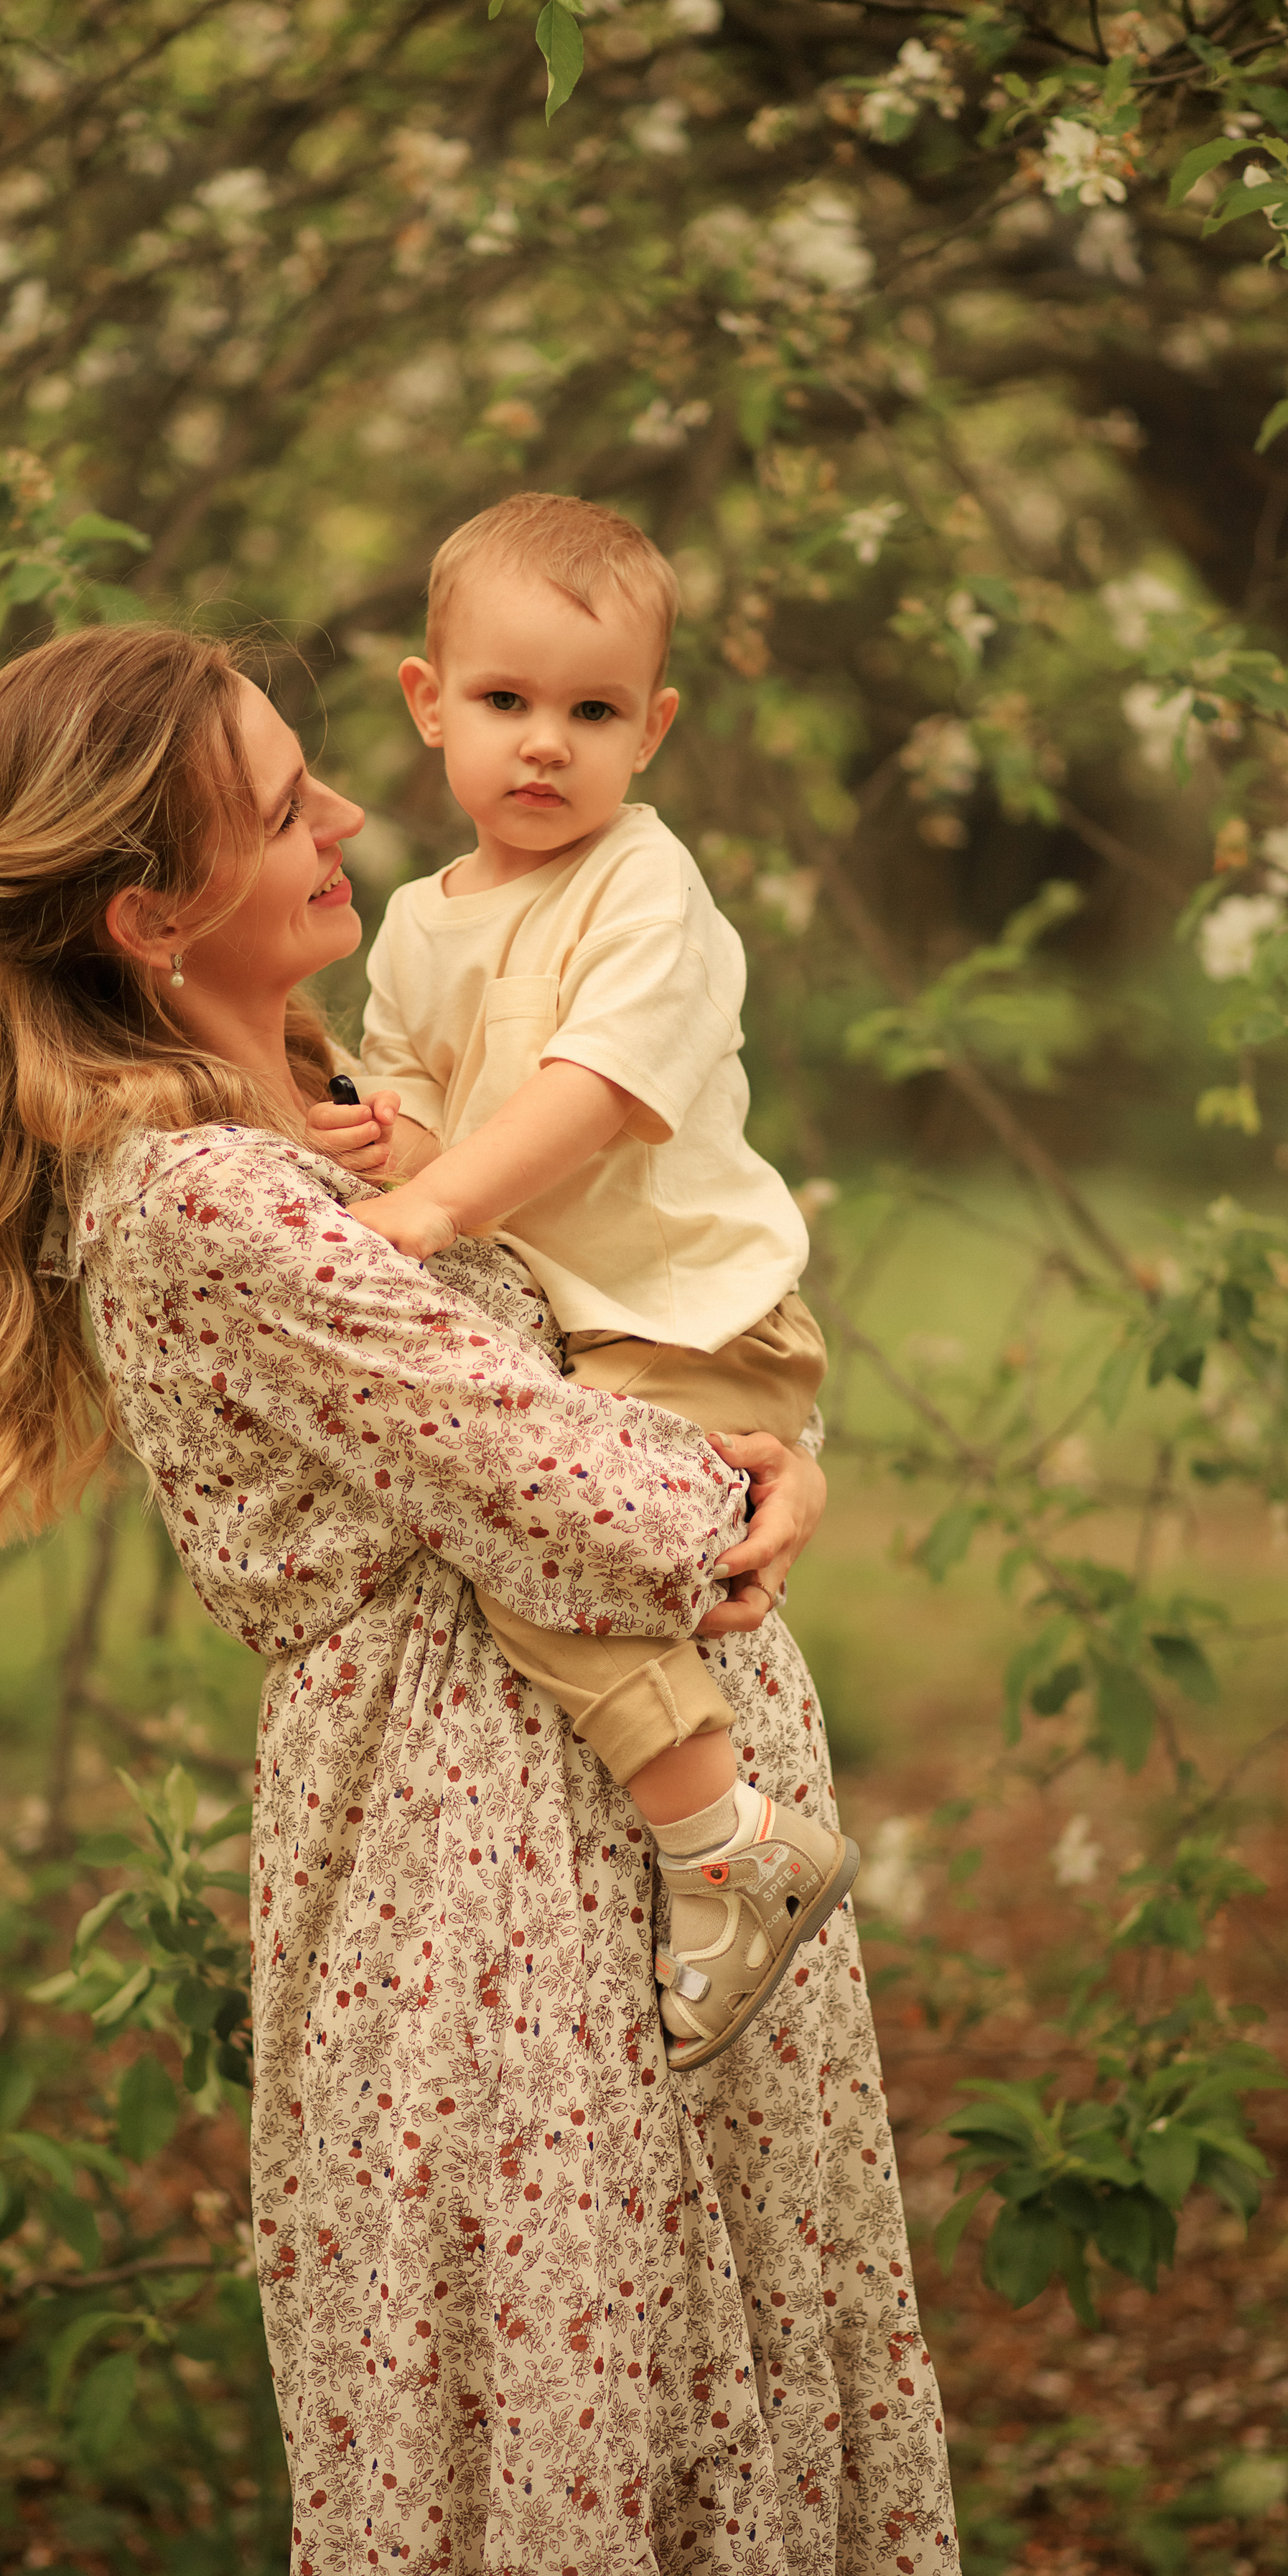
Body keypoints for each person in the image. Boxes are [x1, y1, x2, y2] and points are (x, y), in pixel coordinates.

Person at [0, 623, 960, 2576]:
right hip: (489, 1896)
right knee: (566, 2449)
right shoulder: (203, 1201)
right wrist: (747, 1491)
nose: (353, 819)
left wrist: (777, 1460)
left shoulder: (331, 1110)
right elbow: (583, 1488)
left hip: (619, 1845)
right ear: (149, 911)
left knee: (697, 2400)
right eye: (286, 807)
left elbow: (610, 1344)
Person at [309, 493, 853, 2071]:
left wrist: (433, 1207)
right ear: (428, 704)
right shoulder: (414, 918)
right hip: (580, 1328)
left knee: (540, 1532)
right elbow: (417, 1099)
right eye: (504, 702)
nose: (544, 745)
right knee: (527, 1524)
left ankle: (720, 1842)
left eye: (590, 711)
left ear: (651, 731)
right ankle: (712, 1834)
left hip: (689, 1317)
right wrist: (370, 1135)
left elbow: (597, 1087)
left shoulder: (644, 890)